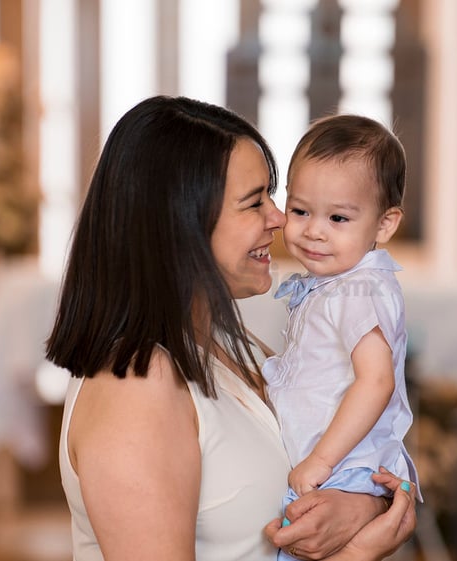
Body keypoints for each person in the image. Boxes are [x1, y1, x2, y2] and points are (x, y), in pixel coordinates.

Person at [45, 96, 417, 561]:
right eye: (254, 202)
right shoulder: (137, 386)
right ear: (183, 223)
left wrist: (363, 506)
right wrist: (355, 556)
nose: (280, 218)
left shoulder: (231, 345)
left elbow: (329, 455)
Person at [262, 114, 422, 561]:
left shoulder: (360, 289)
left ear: (384, 225)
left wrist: (321, 461)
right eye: (300, 211)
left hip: (342, 467)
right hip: (333, 464)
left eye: (337, 217)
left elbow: (377, 381)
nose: (314, 230)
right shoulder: (339, 282)